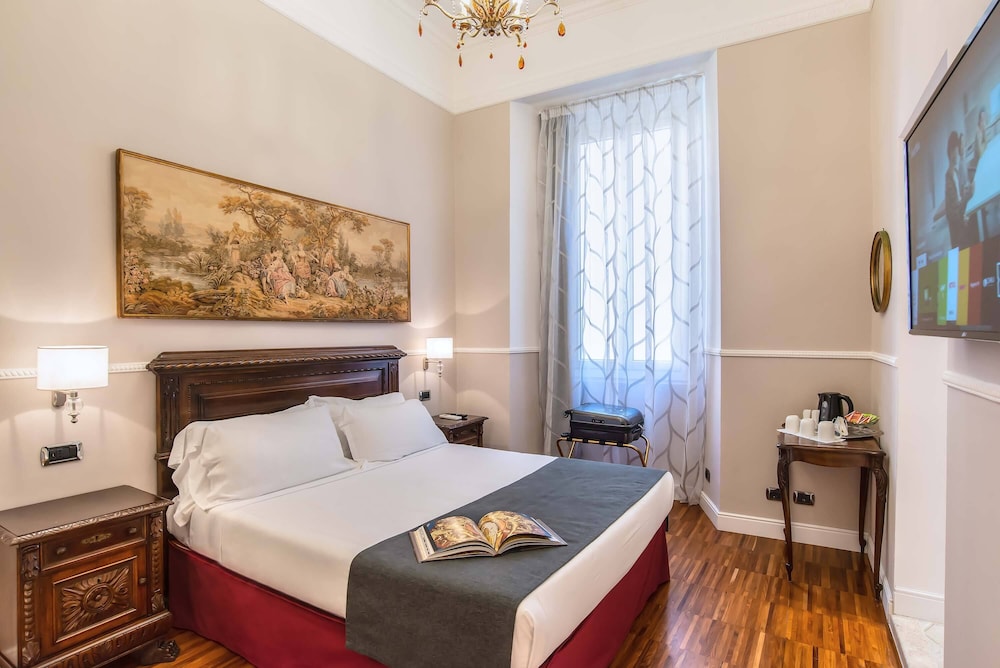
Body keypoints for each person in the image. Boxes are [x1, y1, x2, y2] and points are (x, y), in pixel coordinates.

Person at [945, 130, 976, 248]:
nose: (959, 152)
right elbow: (955, 212)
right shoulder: (950, 177)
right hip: (959, 235)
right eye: (957, 149)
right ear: (952, 152)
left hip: (962, 220)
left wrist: (966, 194)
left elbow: (959, 201)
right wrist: (968, 195)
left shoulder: (955, 173)